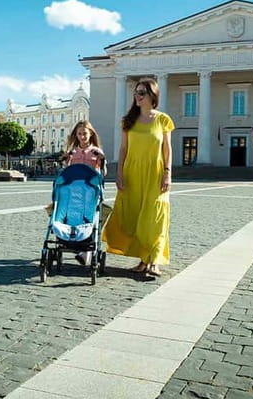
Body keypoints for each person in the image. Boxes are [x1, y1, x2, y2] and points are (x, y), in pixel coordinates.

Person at [102, 78, 174, 277]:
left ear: (153, 96)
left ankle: (155, 261)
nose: (137, 96)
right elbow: (123, 149)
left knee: (155, 217)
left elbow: (167, 150)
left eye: (142, 92)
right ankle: (144, 260)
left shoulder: (163, 120)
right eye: (136, 92)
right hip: (132, 174)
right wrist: (119, 174)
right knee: (135, 217)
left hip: (156, 174)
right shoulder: (128, 121)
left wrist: (167, 174)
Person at [53, 120, 108, 266]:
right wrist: (66, 159)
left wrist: (102, 160)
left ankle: (87, 251)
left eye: (84, 133)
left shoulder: (96, 152)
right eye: (79, 134)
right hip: (73, 190)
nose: (82, 136)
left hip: (90, 190)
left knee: (92, 217)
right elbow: (66, 171)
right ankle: (66, 240)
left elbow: (103, 173)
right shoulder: (72, 152)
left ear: (90, 134)